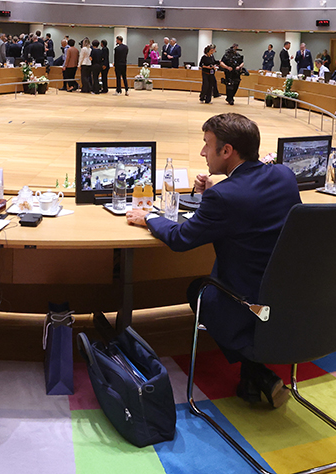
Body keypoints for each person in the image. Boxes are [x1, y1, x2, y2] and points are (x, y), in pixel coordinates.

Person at [125, 112, 301, 408]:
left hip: (248, 301)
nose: (203, 152)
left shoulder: (223, 197)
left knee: (198, 290)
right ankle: (255, 375)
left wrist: (150, 217)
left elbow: (181, 238)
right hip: (291, 297)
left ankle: (254, 367)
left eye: (207, 144)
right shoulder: (284, 175)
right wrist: (214, 194)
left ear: (227, 150)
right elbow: (252, 207)